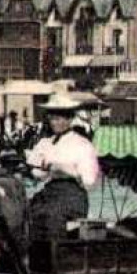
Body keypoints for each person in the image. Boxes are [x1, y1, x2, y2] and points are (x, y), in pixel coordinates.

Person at [24, 95, 101, 240]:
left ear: (70, 119)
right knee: (30, 211)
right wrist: (46, 170)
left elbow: (90, 180)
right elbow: (35, 171)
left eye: (59, 119)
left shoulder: (82, 145)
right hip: (49, 192)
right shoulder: (45, 143)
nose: (54, 122)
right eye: (52, 118)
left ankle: (56, 255)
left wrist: (66, 170)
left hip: (73, 196)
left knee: (52, 215)